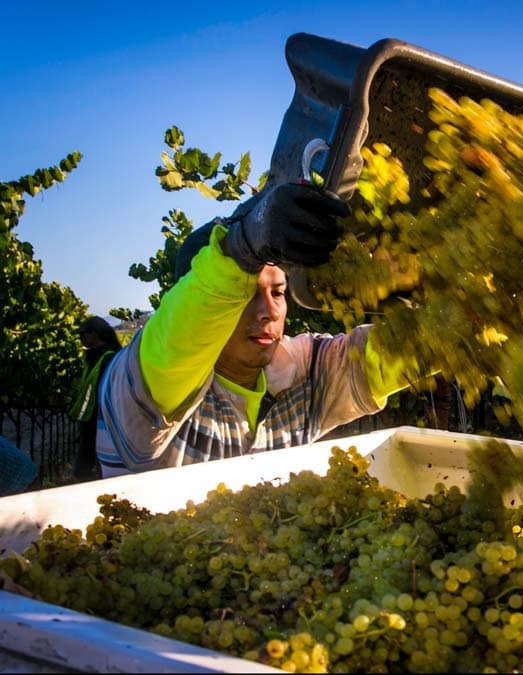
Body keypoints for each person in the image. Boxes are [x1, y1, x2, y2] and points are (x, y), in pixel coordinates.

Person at [96, 183, 418, 477]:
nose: (270, 311)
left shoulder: (301, 375)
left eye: (277, 293)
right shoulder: (151, 383)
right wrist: (243, 244)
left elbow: (408, 347)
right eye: (247, 294)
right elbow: (181, 333)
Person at [68, 315, 122, 481]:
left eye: (83, 334)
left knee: (87, 467)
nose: (81, 338)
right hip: (89, 419)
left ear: (94, 334)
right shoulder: (93, 357)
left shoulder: (108, 357)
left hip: (99, 419)